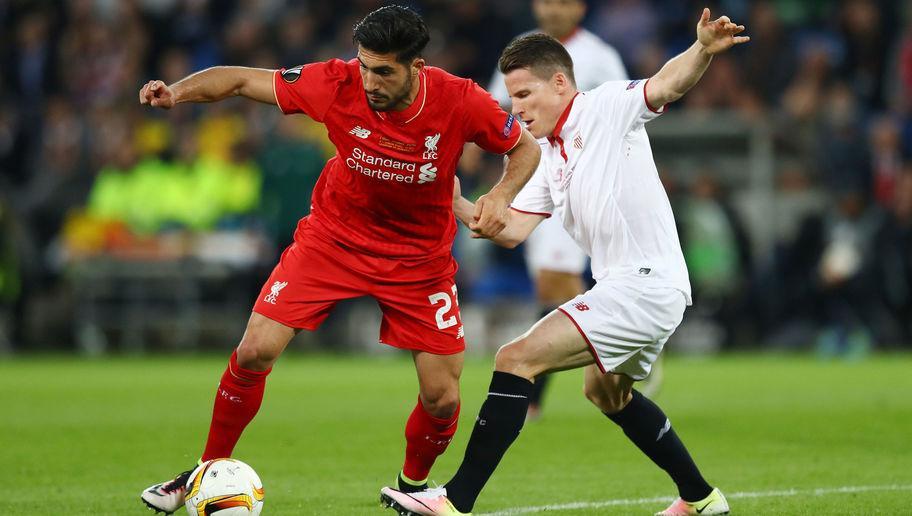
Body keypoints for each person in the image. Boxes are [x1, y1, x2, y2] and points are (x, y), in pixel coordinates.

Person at [137, 5, 541, 514]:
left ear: (416, 67)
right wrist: (177, 92)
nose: (369, 81)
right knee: (254, 350)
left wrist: (501, 196)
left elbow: (524, 148)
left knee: (442, 398)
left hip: (419, 259)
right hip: (334, 240)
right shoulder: (335, 81)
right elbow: (239, 80)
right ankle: (204, 472)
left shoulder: (460, 99)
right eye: (365, 66)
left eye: (384, 71)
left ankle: (411, 486)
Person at [381, 8, 748, 516]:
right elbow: (508, 230)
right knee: (607, 395)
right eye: (513, 99)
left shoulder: (605, 107)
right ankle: (701, 499)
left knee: (515, 358)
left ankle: (454, 502)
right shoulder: (549, 157)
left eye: (526, 95)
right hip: (628, 287)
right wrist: (450, 197)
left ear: (559, 83)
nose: (518, 109)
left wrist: (703, 48)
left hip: (645, 285)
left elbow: (664, 85)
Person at [489, 0, 631, 420]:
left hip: (581, 180)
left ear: (580, 8)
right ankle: (624, 336)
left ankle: (624, 335)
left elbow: (625, 115)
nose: (553, 9)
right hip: (532, 176)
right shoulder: (521, 52)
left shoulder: (599, 55)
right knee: (548, 285)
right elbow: (498, 109)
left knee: (554, 280)